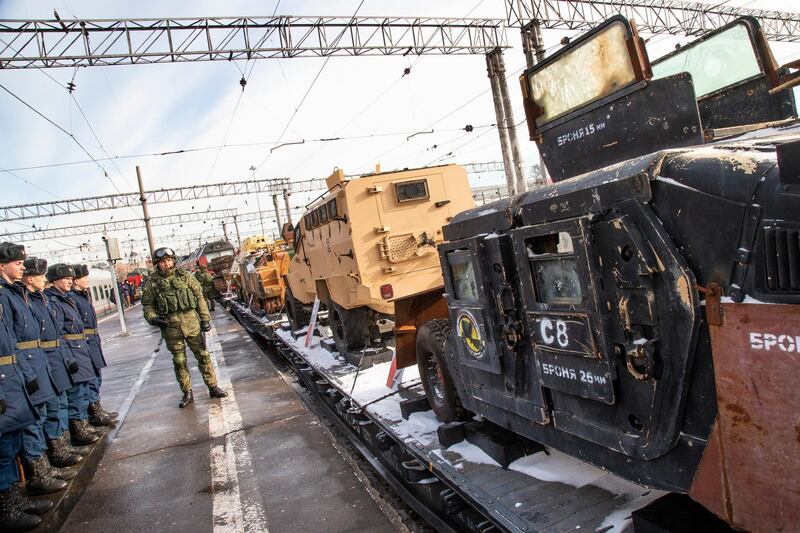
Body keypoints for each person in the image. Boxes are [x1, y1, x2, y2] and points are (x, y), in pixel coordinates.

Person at [0, 243, 72, 496]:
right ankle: (36, 475)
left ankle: (45, 466)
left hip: (27, 366)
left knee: (39, 416)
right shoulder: (8, 295)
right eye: (18, 263)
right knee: (26, 426)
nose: (22, 266)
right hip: (17, 370)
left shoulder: (14, 294)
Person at [0, 245, 48, 531]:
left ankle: (15, 501)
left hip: (10, 374)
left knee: (12, 440)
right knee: (3, 447)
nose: (22, 267)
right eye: (17, 263)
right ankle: (7, 511)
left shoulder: (8, 293)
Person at [142, 247, 226, 408]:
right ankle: (187, 392)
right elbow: (147, 306)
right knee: (179, 361)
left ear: (173, 260)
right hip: (171, 328)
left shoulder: (185, 277)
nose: (167, 264)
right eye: (163, 262)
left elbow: (199, 297)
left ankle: (213, 386)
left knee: (203, 355)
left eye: (169, 260)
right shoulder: (152, 284)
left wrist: (205, 319)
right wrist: (154, 319)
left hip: (192, 323)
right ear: (157, 265)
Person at [22, 258, 83, 470]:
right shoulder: (29, 300)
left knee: (58, 404)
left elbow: (56, 333)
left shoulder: (41, 299)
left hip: (52, 357)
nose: (44, 280)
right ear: (30, 279)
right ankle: (49, 456)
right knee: (43, 411)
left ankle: (60, 445)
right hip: (40, 358)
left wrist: (66, 357)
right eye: (40, 277)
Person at [45, 264, 101, 447]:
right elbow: (59, 332)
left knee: (83, 389)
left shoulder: (65, 298)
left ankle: (83, 425)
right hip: (72, 349)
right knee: (76, 393)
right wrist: (68, 358)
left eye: (71, 278)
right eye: (67, 278)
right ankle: (78, 431)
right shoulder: (54, 301)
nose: (70, 280)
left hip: (80, 347)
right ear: (55, 280)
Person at [69, 265, 117, 427]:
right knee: (90, 380)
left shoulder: (82, 295)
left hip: (92, 339)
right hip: (85, 341)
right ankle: (93, 414)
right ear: (76, 280)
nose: (87, 280)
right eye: (84, 277)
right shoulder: (73, 298)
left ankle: (97, 409)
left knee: (96, 376)